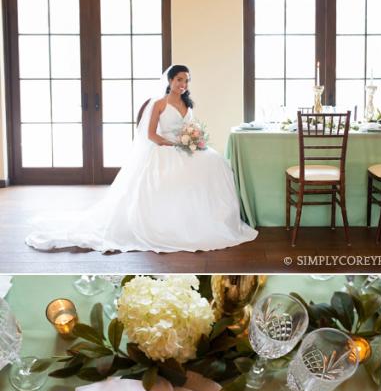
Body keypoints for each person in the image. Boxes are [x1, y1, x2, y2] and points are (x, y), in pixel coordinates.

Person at [25, 65, 258, 253]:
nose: (183, 84)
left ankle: (214, 220)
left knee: (215, 161)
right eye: (179, 79)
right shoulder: (159, 103)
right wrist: (175, 143)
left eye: (186, 80)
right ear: (169, 81)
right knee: (180, 169)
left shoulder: (187, 103)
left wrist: (195, 140)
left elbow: (192, 127)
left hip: (185, 146)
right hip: (164, 146)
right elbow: (151, 135)